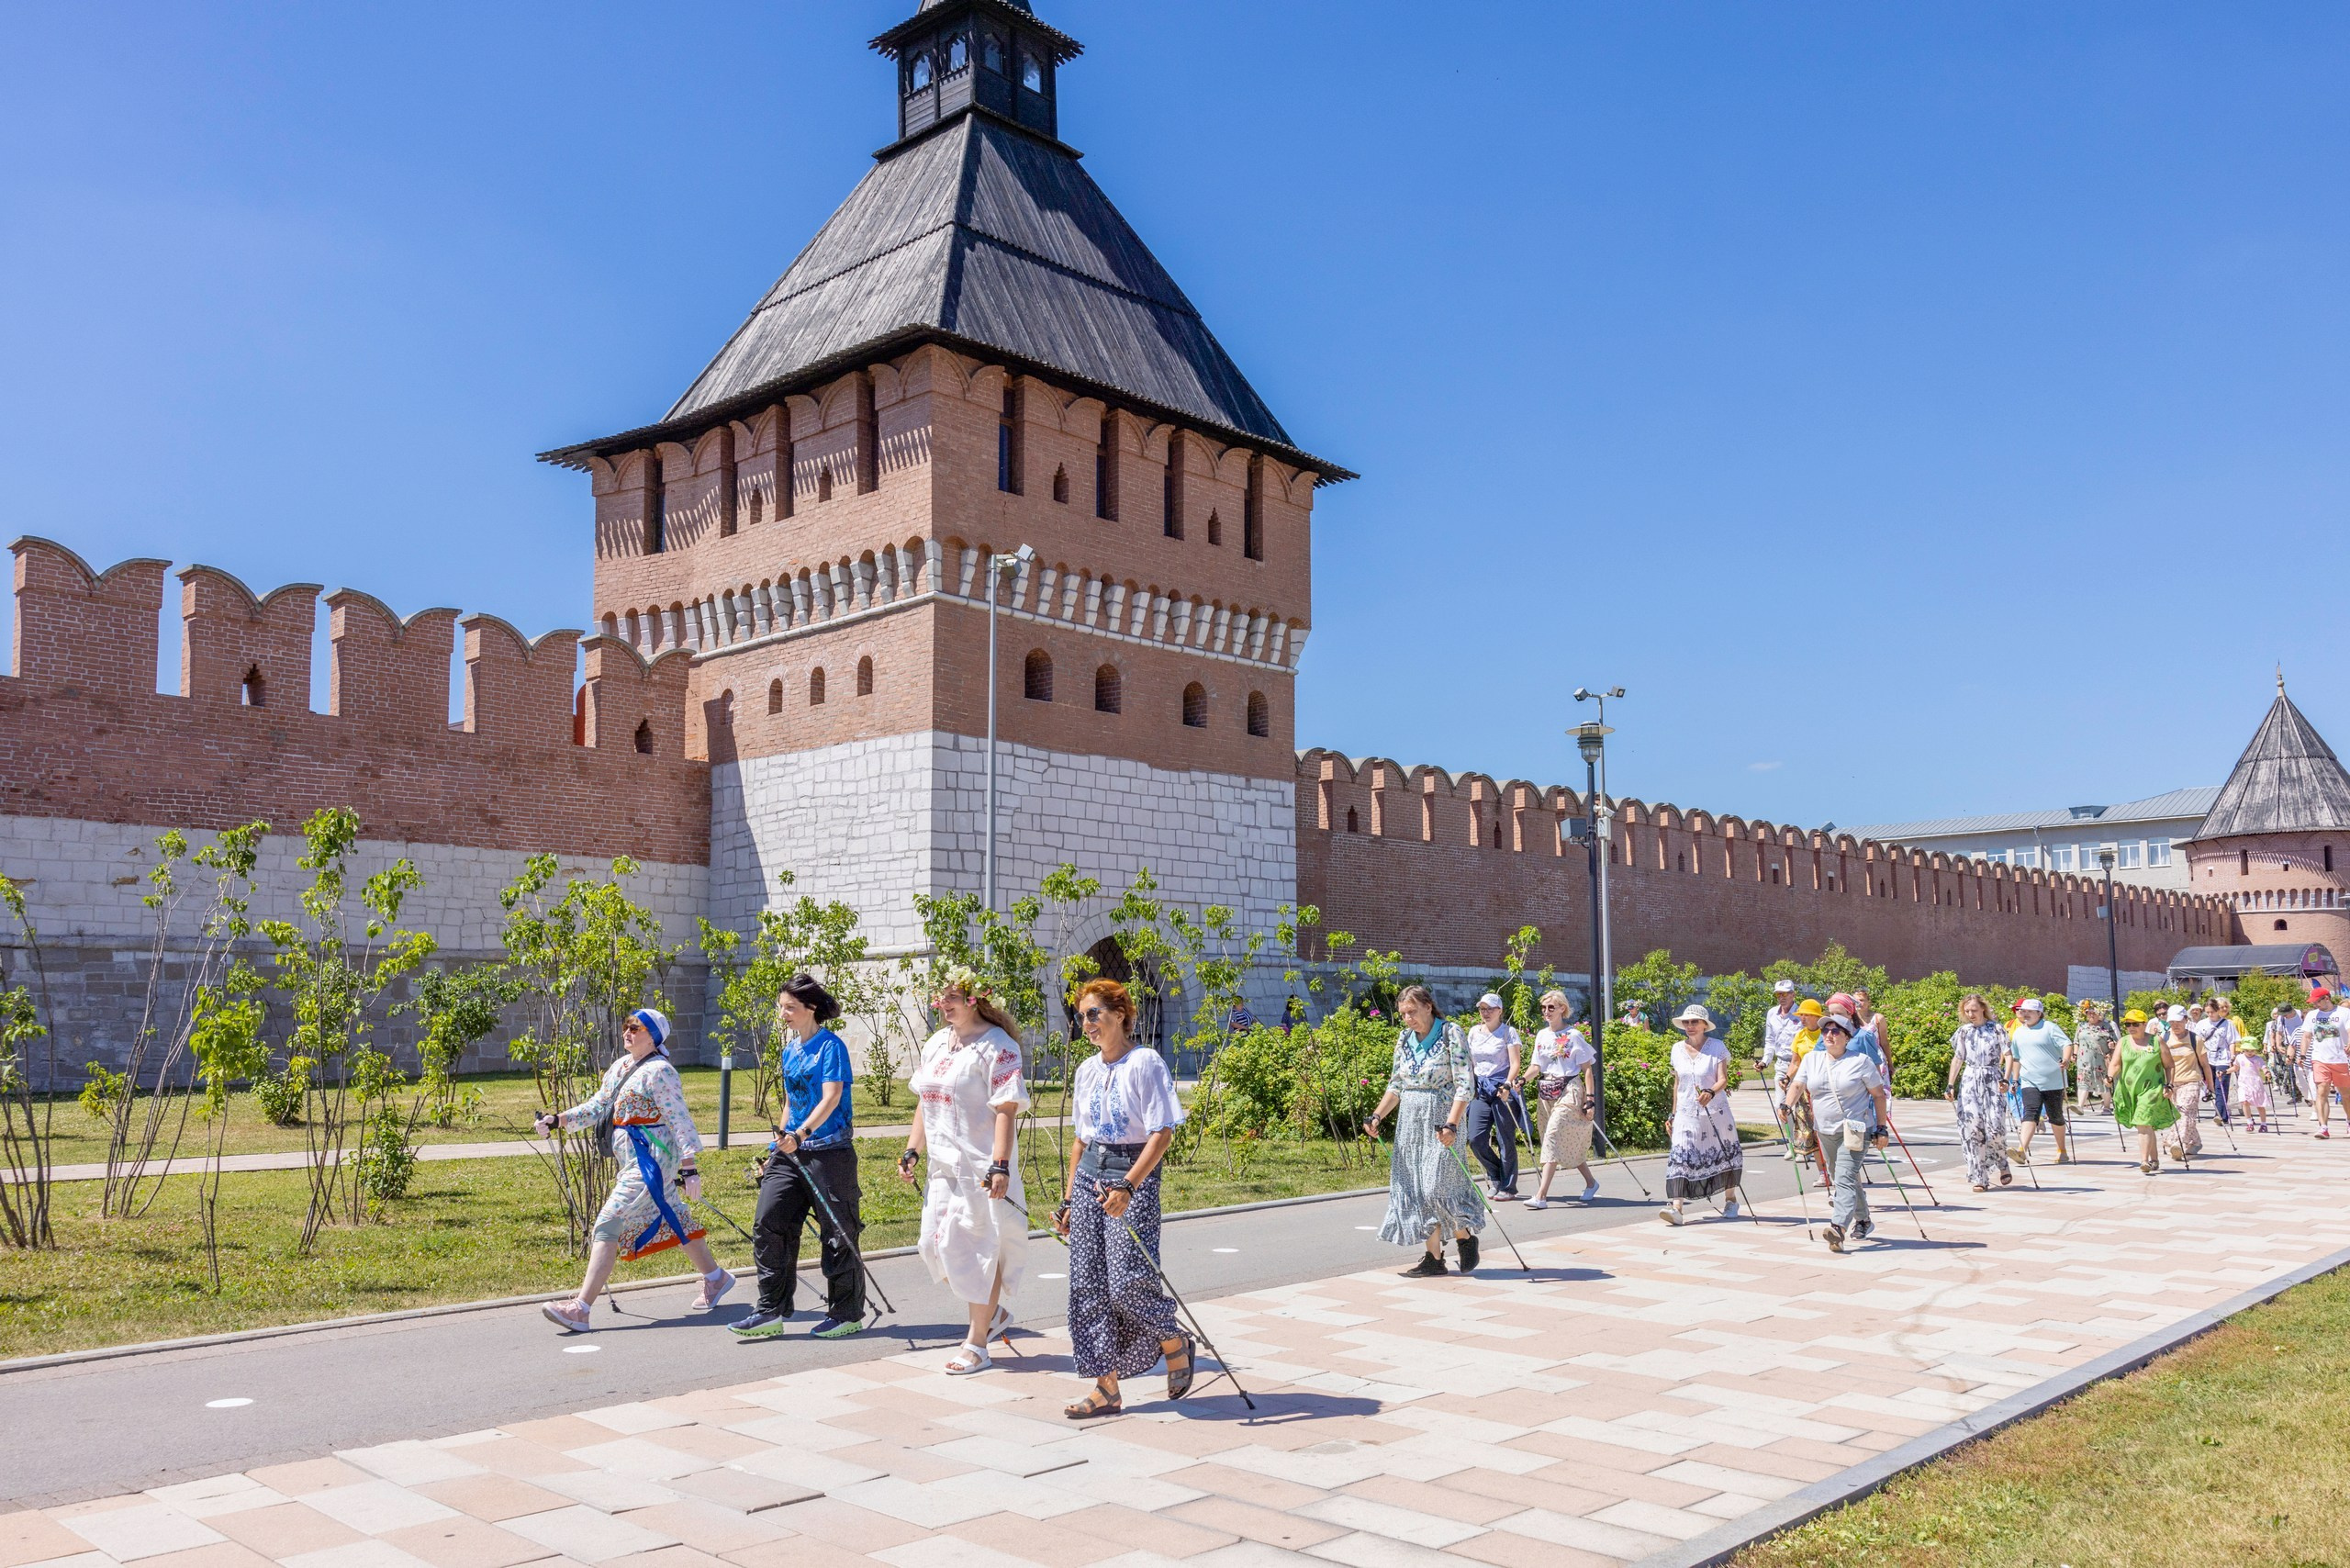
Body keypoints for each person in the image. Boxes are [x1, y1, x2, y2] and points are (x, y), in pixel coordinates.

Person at [536, 1008, 733, 1332]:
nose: (627, 1033)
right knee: (673, 1215)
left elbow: (679, 1118)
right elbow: (598, 1106)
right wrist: (559, 1120)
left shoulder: (661, 1072)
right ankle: (716, 1278)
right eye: (626, 1027)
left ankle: (580, 1309)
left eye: (635, 1028)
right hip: (631, 1159)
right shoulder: (621, 1067)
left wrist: (689, 1167)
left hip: (653, 1160)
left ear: (653, 1036)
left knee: (609, 1219)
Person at [1058, 978, 1192, 1418]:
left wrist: (1130, 1185)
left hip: (1133, 1177)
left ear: (1120, 1014)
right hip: (1090, 1175)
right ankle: (1106, 1388)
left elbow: (1162, 1133)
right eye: (1081, 1016)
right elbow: (1080, 1140)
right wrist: (1070, 1202)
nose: (1087, 1024)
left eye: (1094, 1014)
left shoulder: (1145, 1063)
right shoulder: (1086, 1070)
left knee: (1128, 1282)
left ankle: (1173, 1340)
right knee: (1088, 1286)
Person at [900, 966, 1029, 1375]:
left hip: (980, 1167)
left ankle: (977, 1343)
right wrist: (911, 1150)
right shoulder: (938, 1043)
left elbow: (1006, 1107)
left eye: (951, 998)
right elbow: (924, 1099)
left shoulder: (998, 1047)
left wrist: (1000, 1164)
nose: (943, 1005)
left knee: (980, 1249)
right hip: (942, 1167)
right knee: (933, 1244)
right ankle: (991, 1315)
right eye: (940, 998)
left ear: (974, 1000)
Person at [732, 974, 865, 1341]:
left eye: (790, 1007)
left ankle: (846, 1313)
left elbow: (831, 1097)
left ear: (811, 1008)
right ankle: (770, 1311)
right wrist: (779, 1143)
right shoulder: (790, 1050)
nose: (784, 1014)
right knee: (768, 1222)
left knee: (838, 1234)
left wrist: (802, 1134)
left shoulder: (830, 1047)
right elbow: (791, 1102)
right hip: (792, 1153)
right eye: (781, 1007)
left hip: (830, 1153)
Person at [1366, 983, 1483, 1276]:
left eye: (1412, 1012)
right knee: (1415, 1189)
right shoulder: (1405, 1038)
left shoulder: (1450, 1033)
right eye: (1403, 1014)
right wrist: (1377, 1116)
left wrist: (1453, 1123)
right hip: (1410, 1121)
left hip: (1442, 1120)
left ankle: (1464, 1237)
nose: (1407, 1019)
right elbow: (1396, 1084)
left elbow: (1465, 1084)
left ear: (1428, 1007)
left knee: (1435, 1186)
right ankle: (1434, 1258)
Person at [1787, 1009, 1889, 1254]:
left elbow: (1878, 1095)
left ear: (1847, 1036)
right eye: (1825, 1031)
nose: (1829, 1035)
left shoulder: (1860, 1061)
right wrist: (1786, 1104)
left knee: (1843, 1177)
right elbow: (1799, 1084)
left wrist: (1881, 1128)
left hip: (1855, 1129)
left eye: (1835, 1031)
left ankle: (1838, 1228)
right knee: (1842, 1176)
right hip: (1824, 1128)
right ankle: (1864, 1220)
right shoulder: (1813, 1059)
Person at [1660, 1003, 1741, 1226]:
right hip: (1687, 1112)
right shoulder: (1677, 1048)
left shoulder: (1717, 1047)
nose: (1689, 1026)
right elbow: (1678, 1083)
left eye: (1694, 1022)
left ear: (1705, 1025)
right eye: (1686, 1022)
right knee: (1681, 1155)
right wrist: (1673, 1114)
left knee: (1724, 1155)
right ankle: (1677, 1208)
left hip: (1716, 1111)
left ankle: (1731, 1199)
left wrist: (1710, 1091)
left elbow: (1723, 1079)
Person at [1523, 990, 1598, 1209]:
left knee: (1553, 1137)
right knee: (1559, 1140)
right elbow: (1536, 1067)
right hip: (1547, 1091)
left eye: (1551, 1008)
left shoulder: (1574, 1035)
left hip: (1569, 1089)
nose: (1546, 1012)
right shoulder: (1541, 1035)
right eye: (1544, 1008)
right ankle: (1591, 1183)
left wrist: (1590, 1100)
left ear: (1562, 1009)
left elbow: (1587, 1070)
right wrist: (1521, 1081)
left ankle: (1541, 1196)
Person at [1944, 994, 2012, 1193]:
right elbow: (1958, 1058)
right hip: (1970, 1081)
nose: (1970, 1014)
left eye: (1974, 1010)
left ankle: (2002, 1161)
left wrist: (2006, 1079)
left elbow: (2008, 1055)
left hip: (1993, 1079)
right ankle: (1980, 1176)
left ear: (1983, 1008)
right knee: (1974, 1129)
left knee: (1996, 1127)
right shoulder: (1964, 1032)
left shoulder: (1997, 1028)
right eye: (1967, 1011)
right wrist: (1950, 1084)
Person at [1463, 992, 1527, 1202]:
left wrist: (1508, 1083)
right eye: (1482, 1008)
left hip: (1502, 1087)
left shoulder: (1508, 1032)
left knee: (1505, 1139)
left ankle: (1508, 1186)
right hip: (1480, 1088)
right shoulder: (1473, 1032)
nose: (1486, 1012)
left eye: (1490, 1008)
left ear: (1500, 1010)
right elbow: (1469, 1061)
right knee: (1475, 1138)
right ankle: (1496, 1174)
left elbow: (1515, 1063)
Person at [2004, 997, 2074, 1165]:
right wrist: (2014, 1081)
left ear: (2038, 1013)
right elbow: (2017, 1058)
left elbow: (2067, 1044)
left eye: (2028, 1011)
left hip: (2053, 1080)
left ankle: (2062, 1151)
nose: (2024, 1014)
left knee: (2055, 1116)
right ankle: (2021, 1151)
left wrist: (2066, 1059)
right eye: (2022, 1011)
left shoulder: (2050, 1028)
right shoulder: (2019, 1032)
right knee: (2030, 1112)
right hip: (2029, 1080)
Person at [2109, 1008, 2178, 1175]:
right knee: (2146, 1125)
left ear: (2144, 1024)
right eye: (2127, 1024)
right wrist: (2110, 1076)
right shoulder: (2123, 1042)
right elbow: (2116, 1063)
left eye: (2135, 1024)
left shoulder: (2157, 1041)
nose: (2131, 1027)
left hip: (2152, 1089)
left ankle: (2144, 1160)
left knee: (2142, 1122)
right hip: (2130, 1090)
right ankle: (2155, 1160)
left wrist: (2170, 1085)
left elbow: (2169, 1065)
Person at [2158, 1005, 2212, 1167]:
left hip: (2191, 1080)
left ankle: (2178, 1144)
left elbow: (2205, 1064)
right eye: (2172, 1022)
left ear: (2186, 1020)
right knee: (2179, 1115)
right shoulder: (2164, 1038)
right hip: (2171, 1083)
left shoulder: (2196, 1039)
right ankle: (2194, 1142)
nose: (2175, 1025)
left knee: (2185, 1111)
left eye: (2179, 1021)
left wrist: (2210, 1085)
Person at [2297, 989, 2350, 1137]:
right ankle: (2323, 1127)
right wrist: (2302, 1055)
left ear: (2326, 998)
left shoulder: (2344, 1013)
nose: (2315, 1005)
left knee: (2346, 1095)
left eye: (2317, 1001)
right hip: (2320, 1058)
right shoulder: (2312, 1016)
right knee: (2321, 1091)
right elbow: (2306, 1036)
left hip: (2340, 1059)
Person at [1785, 998, 1826, 1161]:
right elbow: (1795, 1062)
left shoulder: (1826, 1033)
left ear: (1816, 1017)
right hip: (1804, 1087)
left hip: (1823, 1087)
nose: (1802, 1018)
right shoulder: (1800, 1035)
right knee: (1808, 1127)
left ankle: (1830, 1161)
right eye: (1801, 1015)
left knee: (1822, 1127)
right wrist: (1787, 1077)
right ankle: (1817, 1164)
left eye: (1806, 1015)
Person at [2073, 1000, 2118, 1108]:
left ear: (2100, 1013)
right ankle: (2080, 1106)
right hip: (2084, 1059)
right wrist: (2074, 1054)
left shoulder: (2106, 1026)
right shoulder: (2081, 1025)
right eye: (2089, 1012)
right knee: (2083, 1082)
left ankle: (2107, 1107)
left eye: (2094, 1012)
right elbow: (2076, 1041)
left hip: (2100, 1060)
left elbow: (2115, 1042)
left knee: (2103, 1083)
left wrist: (2112, 1045)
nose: (2091, 1015)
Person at [2203, 997, 2239, 1127]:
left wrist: (2232, 1056)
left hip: (2223, 1058)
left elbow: (2232, 1041)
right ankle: (2221, 1111)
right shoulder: (2202, 1024)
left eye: (2212, 1011)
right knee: (2211, 1086)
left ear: (2217, 1010)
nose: (2210, 1014)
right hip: (2207, 1059)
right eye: (2207, 1012)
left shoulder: (2228, 1024)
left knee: (2221, 1086)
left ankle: (2220, 1115)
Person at [2234, 1023, 2274, 1135]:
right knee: (2244, 1102)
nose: (2250, 1052)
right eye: (2247, 1050)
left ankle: (2264, 1124)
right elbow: (2235, 1067)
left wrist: (2267, 1072)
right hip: (2243, 1083)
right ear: (2243, 1050)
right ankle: (2249, 1122)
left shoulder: (2257, 1059)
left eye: (2252, 1050)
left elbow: (2263, 1067)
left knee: (2259, 1104)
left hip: (2255, 1083)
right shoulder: (2239, 1058)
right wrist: (2225, 1071)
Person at [2269, 1001, 2307, 1105]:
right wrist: (2278, 1045)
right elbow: (2279, 1032)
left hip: (2302, 1044)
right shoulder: (2281, 1018)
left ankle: (2308, 1095)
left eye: (2286, 1014)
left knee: (2304, 1070)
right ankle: (2295, 1094)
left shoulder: (2301, 1015)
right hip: (2289, 1045)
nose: (2284, 1016)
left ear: (2291, 1011)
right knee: (2290, 1070)